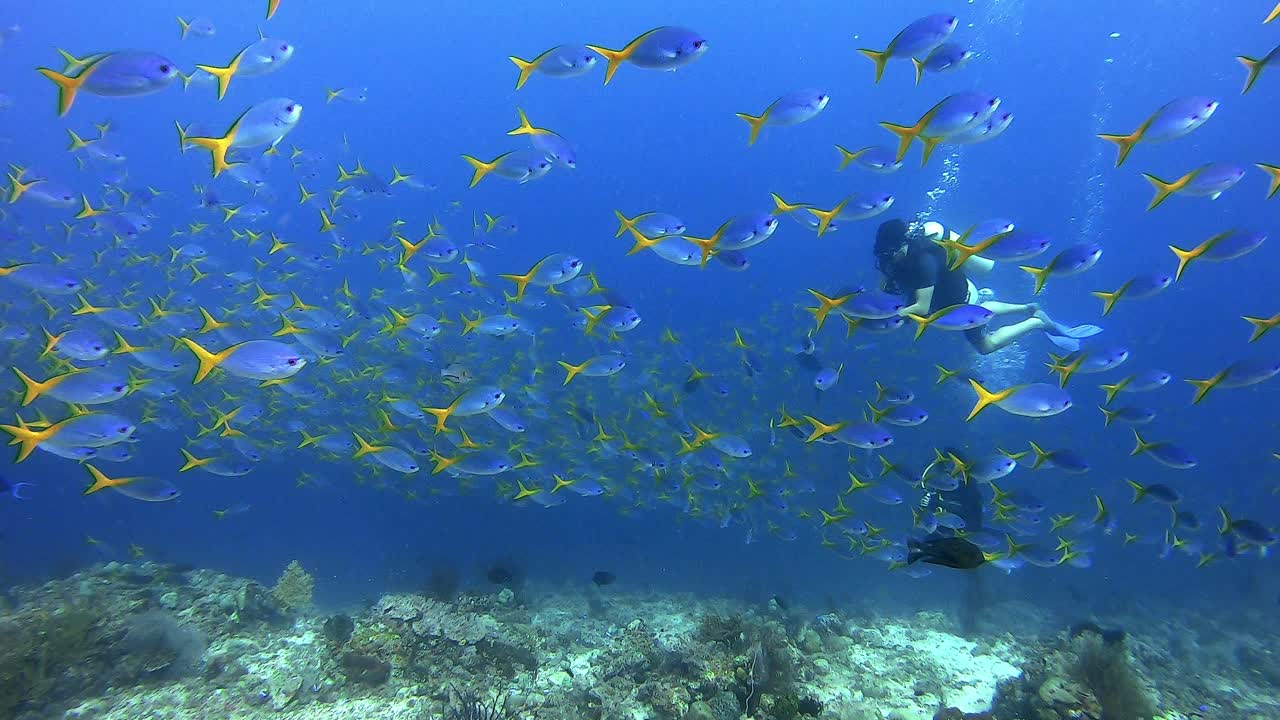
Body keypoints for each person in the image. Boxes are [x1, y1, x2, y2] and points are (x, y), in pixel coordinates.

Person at [873, 218, 1095, 354]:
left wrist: (888, 316)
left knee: (985, 346)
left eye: (891, 253)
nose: (889, 258)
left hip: (958, 302)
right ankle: (1028, 308)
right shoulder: (905, 254)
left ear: (902, 245)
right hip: (962, 290)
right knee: (980, 307)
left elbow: (921, 307)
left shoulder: (922, 263)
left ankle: (1035, 322)